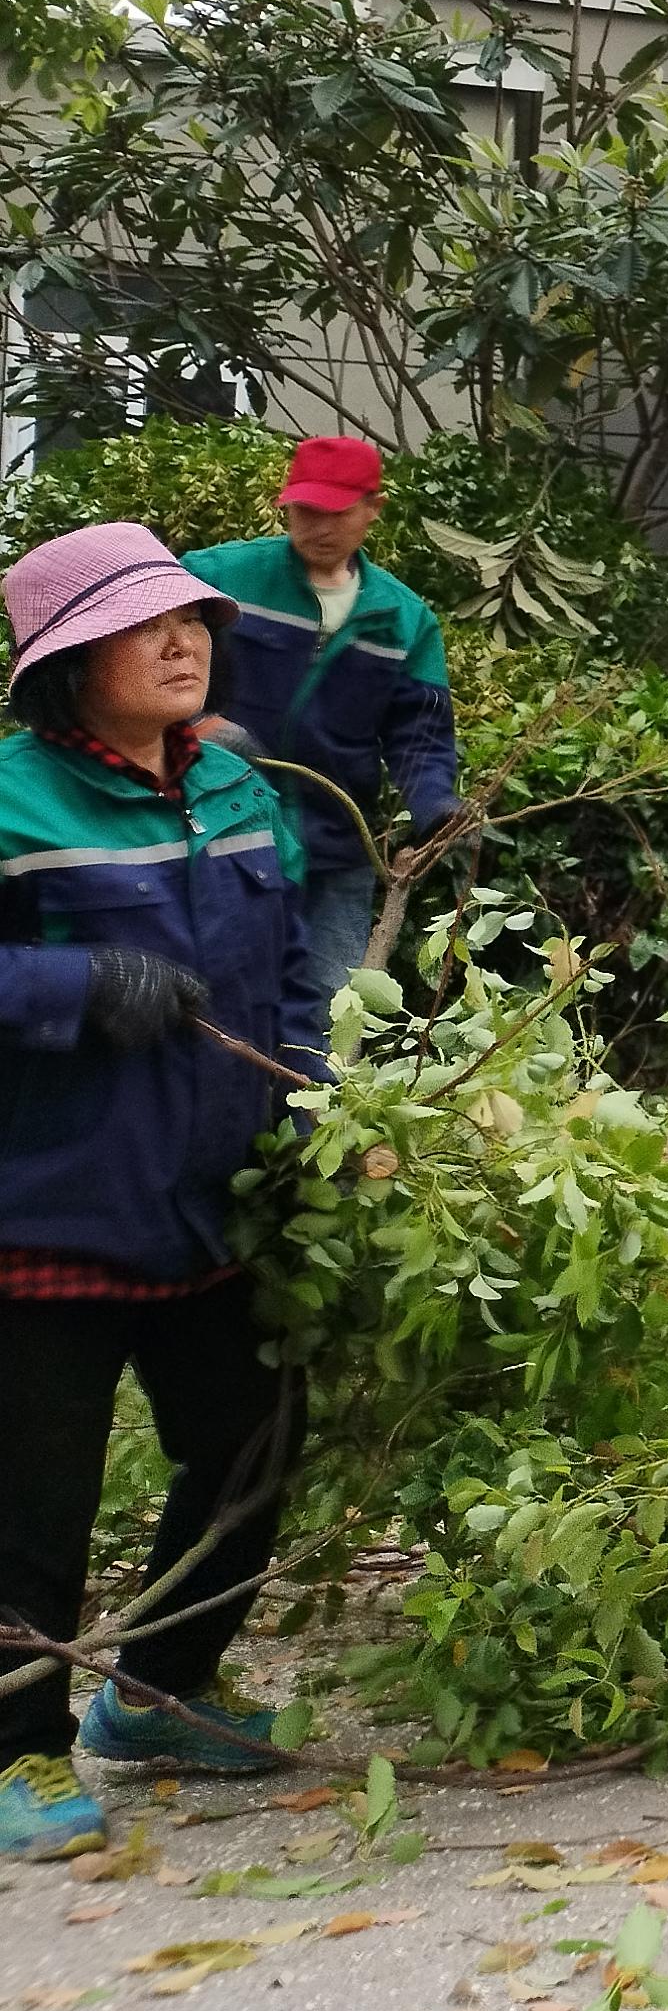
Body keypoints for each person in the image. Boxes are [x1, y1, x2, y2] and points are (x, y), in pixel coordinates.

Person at [0, 522, 327, 1862]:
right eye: (147, 626)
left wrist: (312, 1088)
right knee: (32, 1506)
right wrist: (75, 991)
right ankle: (16, 1752)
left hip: (212, 1208)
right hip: (49, 1217)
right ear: (74, 660)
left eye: (191, 617)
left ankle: (160, 1692)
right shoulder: (14, 799)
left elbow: (295, 961)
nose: (183, 638)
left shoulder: (239, 790)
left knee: (255, 1446)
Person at [186, 436, 463, 1016]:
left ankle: (315, 1107)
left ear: (373, 509)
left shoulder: (402, 619)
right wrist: (195, 724)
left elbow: (420, 733)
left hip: (336, 843)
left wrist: (437, 806)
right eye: (306, 510)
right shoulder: (218, 577)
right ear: (286, 506)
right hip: (223, 828)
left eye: (337, 512)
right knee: (221, 993)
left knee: (331, 1010)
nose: (319, 526)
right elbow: (148, 666)